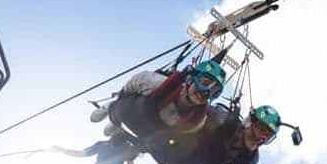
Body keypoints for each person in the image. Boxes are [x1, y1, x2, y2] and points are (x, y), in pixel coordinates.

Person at [90, 60, 227, 144]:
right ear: (191, 78)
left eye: (214, 91)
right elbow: (132, 85)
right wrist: (119, 103)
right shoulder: (154, 82)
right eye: (204, 83)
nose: (206, 92)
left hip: (149, 130)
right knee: (116, 118)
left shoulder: (196, 120)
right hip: (133, 109)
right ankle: (108, 108)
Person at [150, 105, 282, 164]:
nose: (261, 138)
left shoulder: (249, 159)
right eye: (261, 129)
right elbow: (201, 108)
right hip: (167, 145)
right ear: (249, 122)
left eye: (268, 136)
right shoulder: (223, 120)